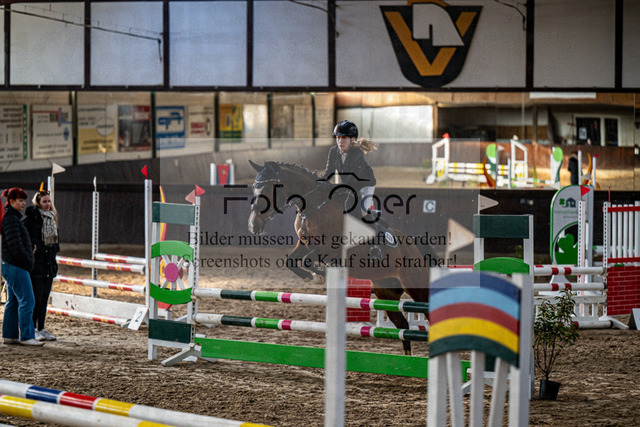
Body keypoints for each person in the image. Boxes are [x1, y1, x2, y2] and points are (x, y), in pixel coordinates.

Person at [319, 120, 394, 259]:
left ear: (352, 139)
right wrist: (319, 182)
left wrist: (331, 187)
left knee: (363, 211)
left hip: (364, 184)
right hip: (346, 183)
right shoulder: (333, 151)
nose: (340, 141)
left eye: (344, 138)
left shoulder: (357, 153)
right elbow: (329, 172)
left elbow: (351, 181)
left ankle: (375, 246)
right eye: (338, 138)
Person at [0, 188, 43, 346]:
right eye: (20, 200)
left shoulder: (11, 218)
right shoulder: (12, 219)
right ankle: (27, 336)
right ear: (11, 201)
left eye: (24, 200)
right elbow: (15, 245)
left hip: (10, 264)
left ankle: (10, 335)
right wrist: (28, 259)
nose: (24, 203)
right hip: (16, 265)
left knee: (13, 301)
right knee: (28, 301)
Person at [23, 190, 59, 341]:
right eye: (44, 201)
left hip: (49, 264)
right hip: (36, 265)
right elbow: (26, 238)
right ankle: (32, 328)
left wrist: (53, 250)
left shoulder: (52, 219)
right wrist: (35, 248)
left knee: (44, 299)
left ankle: (41, 327)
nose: (47, 204)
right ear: (38, 203)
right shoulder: (30, 219)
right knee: (36, 299)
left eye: (49, 201)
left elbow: (56, 242)